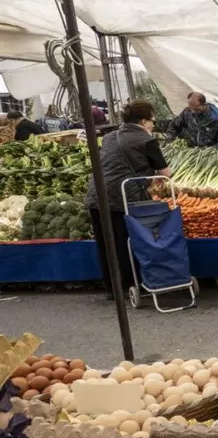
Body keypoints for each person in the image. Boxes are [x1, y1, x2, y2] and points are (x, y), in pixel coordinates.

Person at [84, 100, 171, 299]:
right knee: (126, 240)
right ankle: (132, 283)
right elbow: (166, 172)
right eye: (152, 121)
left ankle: (112, 288)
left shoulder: (109, 137)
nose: (153, 125)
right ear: (143, 121)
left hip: (96, 193)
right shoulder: (146, 139)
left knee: (106, 242)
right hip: (123, 195)